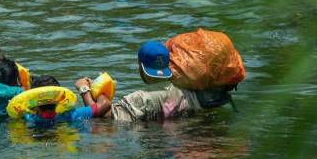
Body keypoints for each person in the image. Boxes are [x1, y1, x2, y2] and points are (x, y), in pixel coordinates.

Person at [101, 39, 240, 121]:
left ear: (141, 66)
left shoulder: (140, 99)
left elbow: (105, 117)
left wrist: (86, 90)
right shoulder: (191, 92)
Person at [22, 75, 112, 127]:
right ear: (60, 97)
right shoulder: (72, 115)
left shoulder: (27, 117)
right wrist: (88, 87)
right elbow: (105, 104)